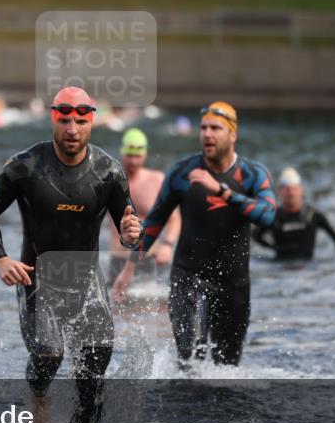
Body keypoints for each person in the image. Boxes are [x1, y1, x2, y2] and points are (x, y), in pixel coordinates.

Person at [0, 86, 142, 423]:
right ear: (53, 119)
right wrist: (0, 259)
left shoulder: (109, 172)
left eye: (80, 121)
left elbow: (131, 229)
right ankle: (37, 400)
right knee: (50, 353)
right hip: (37, 276)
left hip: (85, 280)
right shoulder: (26, 166)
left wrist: (131, 236)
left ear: (91, 122)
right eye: (64, 120)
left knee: (95, 363)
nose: (72, 129)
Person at [112, 102, 275, 367]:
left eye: (216, 128)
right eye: (203, 128)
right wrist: (129, 268)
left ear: (233, 135)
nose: (207, 134)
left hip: (233, 282)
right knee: (188, 361)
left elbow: (268, 216)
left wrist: (222, 192)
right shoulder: (182, 172)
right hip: (188, 276)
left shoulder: (253, 175)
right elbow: (154, 222)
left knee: (227, 367)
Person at [106, 128, 181, 287]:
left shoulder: (157, 180)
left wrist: (167, 245)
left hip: (148, 259)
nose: (133, 161)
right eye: (129, 155)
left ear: (145, 154)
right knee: (116, 310)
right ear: (121, 153)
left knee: (150, 310)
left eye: (137, 156)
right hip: (118, 260)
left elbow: (174, 218)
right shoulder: (109, 182)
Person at [252, 167, 335, 261]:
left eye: (294, 189)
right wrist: (273, 247)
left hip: (308, 267)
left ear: (301, 189)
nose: (291, 193)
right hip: (281, 268)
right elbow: (255, 236)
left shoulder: (312, 215)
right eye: (287, 189)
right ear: (280, 191)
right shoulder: (273, 217)